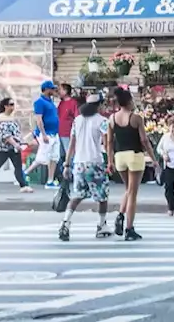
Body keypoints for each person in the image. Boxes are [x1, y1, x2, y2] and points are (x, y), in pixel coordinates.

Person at [58, 93, 116, 241]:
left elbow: (71, 144)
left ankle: (66, 222)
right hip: (95, 162)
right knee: (102, 196)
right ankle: (101, 225)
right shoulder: (103, 121)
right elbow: (107, 142)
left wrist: (66, 163)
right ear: (99, 105)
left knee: (77, 195)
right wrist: (110, 161)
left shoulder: (77, 120)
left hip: (78, 163)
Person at [110, 87, 152, 241]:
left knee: (128, 189)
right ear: (128, 101)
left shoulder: (112, 118)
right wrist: (153, 158)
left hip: (119, 156)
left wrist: (109, 160)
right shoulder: (136, 118)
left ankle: (120, 215)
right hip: (135, 156)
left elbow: (108, 142)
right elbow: (144, 140)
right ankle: (129, 228)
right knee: (133, 194)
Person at [0, 97, 32, 193]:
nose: (13, 107)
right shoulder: (2, 119)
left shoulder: (12, 118)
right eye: (11, 104)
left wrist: (20, 142)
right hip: (3, 149)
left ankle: (23, 186)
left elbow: (15, 133)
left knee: (18, 167)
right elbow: (6, 135)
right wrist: (15, 144)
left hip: (13, 148)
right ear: (5, 106)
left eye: (13, 104)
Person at [32, 80, 61, 189]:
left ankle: (50, 180)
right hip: (46, 133)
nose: (54, 90)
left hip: (54, 133)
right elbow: (39, 119)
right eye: (52, 89)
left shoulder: (50, 102)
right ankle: (25, 173)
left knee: (54, 157)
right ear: (46, 89)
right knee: (42, 158)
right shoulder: (39, 102)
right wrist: (43, 134)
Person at [57, 83, 79, 166]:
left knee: (69, 154)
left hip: (67, 132)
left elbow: (76, 117)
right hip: (59, 132)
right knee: (60, 155)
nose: (59, 91)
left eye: (61, 90)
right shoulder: (61, 103)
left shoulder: (73, 103)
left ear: (65, 91)